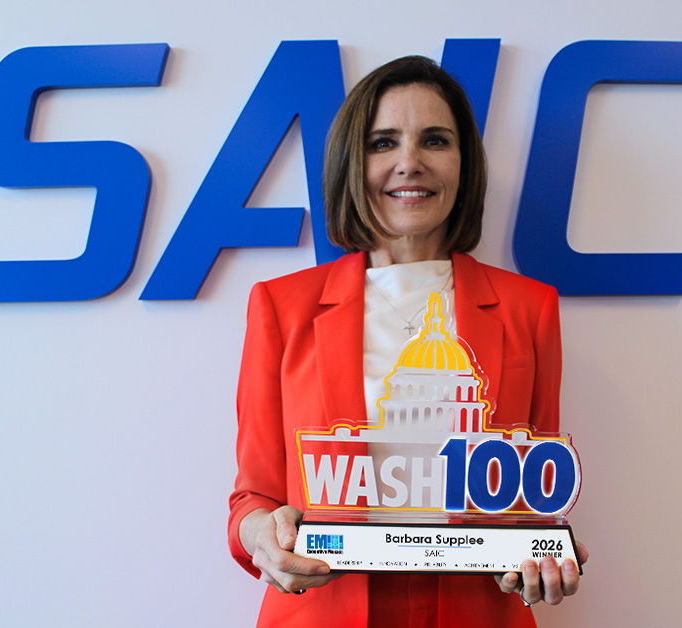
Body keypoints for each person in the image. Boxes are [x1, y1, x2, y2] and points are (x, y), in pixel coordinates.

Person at [228, 55, 586, 627]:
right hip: (326, 610)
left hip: (476, 613)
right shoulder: (282, 306)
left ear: (464, 164)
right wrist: (263, 536)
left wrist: (542, 552)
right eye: (383, 143)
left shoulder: (530, 307)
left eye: (435, 140)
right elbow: (254, 497)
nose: (409, 162)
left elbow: (534, 494)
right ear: (352, 163)